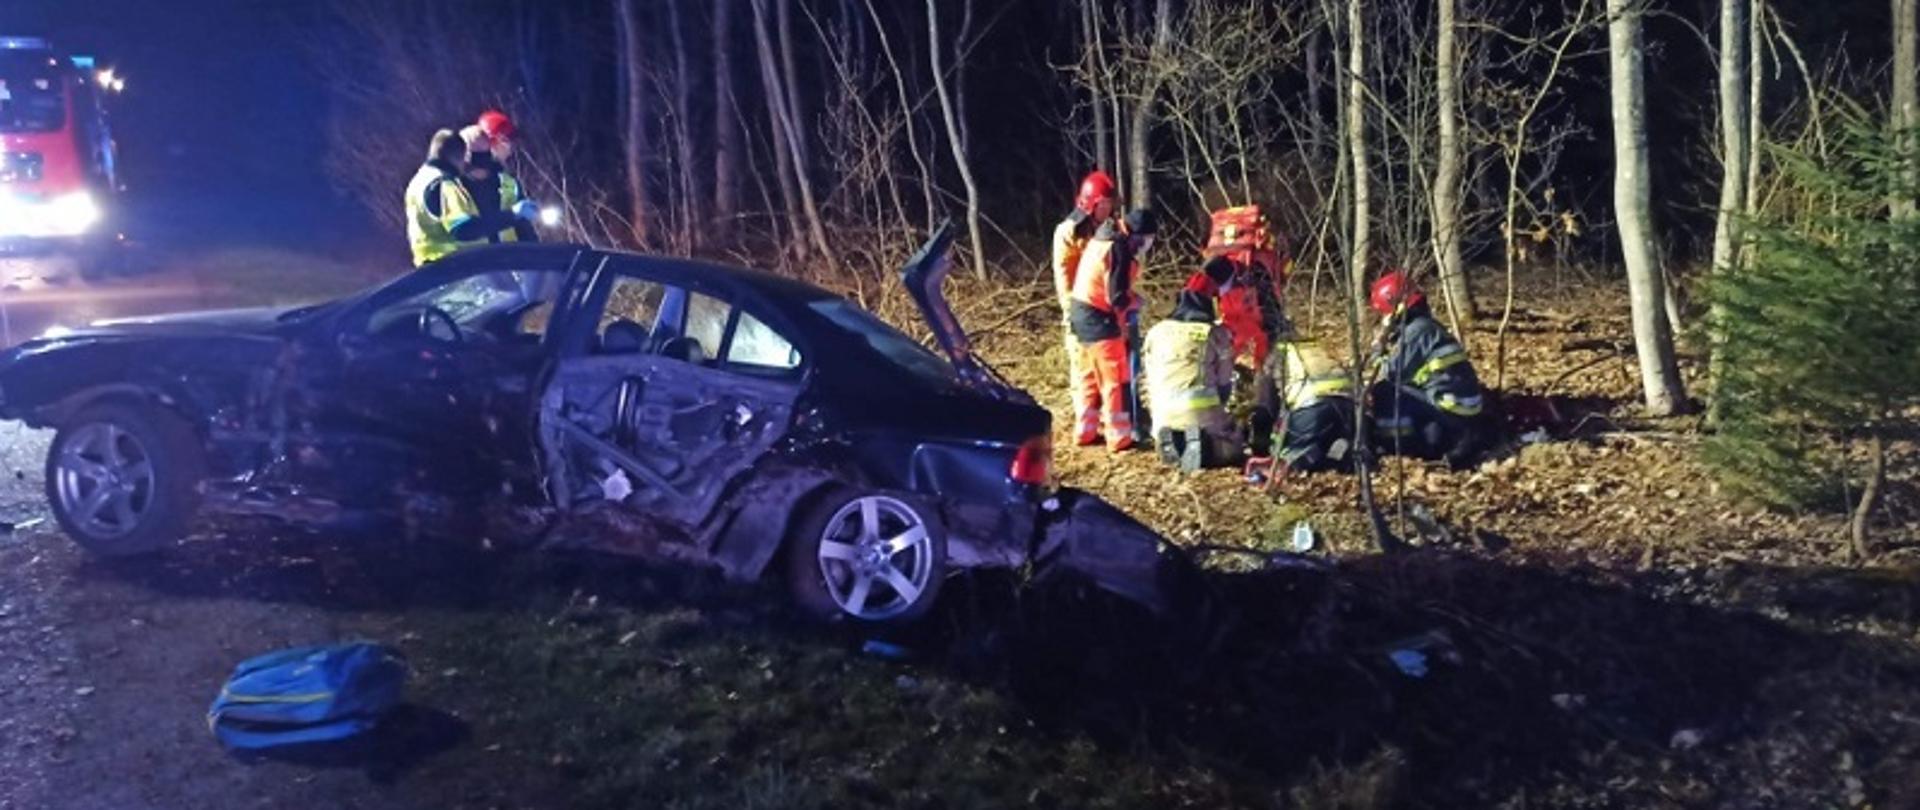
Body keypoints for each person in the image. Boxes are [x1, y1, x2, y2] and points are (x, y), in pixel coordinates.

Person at [1368, 270, 1490, 468]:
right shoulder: (1427, 327)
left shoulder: (1417, 331)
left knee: (1384, 390)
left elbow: (1392, 373)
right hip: (1460, 407)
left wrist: (1378, 348)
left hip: (1451, 409)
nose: (1383, 318)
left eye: (1384, 313)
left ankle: (1396, 446)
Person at [1069, 208, 1157, 450]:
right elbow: (1116, 297)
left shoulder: (1103, 238)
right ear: (1135, 234)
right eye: (1146, 240)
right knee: (1114, 379)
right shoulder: (1118, 248)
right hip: (1099, 319)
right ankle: (1119, 437)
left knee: (1089, 376)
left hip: (1080, 313)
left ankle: (1085, 432)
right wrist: (1136, 302)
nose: (1146, 245)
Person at [1143, 259, 1238, 471]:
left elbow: (1148, 379)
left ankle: (1172, 437)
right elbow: (1224, 384)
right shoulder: (1215, 334)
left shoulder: (1156, 331)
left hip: (1162, 413)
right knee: (1234, 444)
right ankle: (1205, 444)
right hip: (1200, 413)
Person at [1052, 171, 1118, 441]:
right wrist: (1072, 313)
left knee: (1106, 368)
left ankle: (1103, 419)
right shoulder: (1068, 232)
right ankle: (1086, 426)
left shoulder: (1103, 230)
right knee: (1083, 370)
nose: (1109, 209)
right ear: (1090, 203)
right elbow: (1064, 275)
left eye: (1110, 204)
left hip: (1101, 308)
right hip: (1080, 310)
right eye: (1104, 204)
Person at [1251, 339, 1359, 481]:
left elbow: (1264, 410)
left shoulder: (1276, 355)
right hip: (1347, 405)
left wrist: (1260, 448)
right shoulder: (1318, 347)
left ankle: (1302, 461)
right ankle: (1337, 454)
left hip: (1310, 407)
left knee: (1296, 454)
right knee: (1329, 445)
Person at [455, 124, 539, 246]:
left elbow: (525, 230)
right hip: (469, 261)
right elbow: (465, 231)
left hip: (506, 260)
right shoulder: (452, 187)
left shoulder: (507, 183)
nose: (509, 148)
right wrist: (512, 215)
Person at [403, 128, 469, 267]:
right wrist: (510, 215)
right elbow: (463, 229)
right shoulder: (443, 183)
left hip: (427, 268)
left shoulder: (419, 180)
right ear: (459, 157)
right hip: (452, 268)